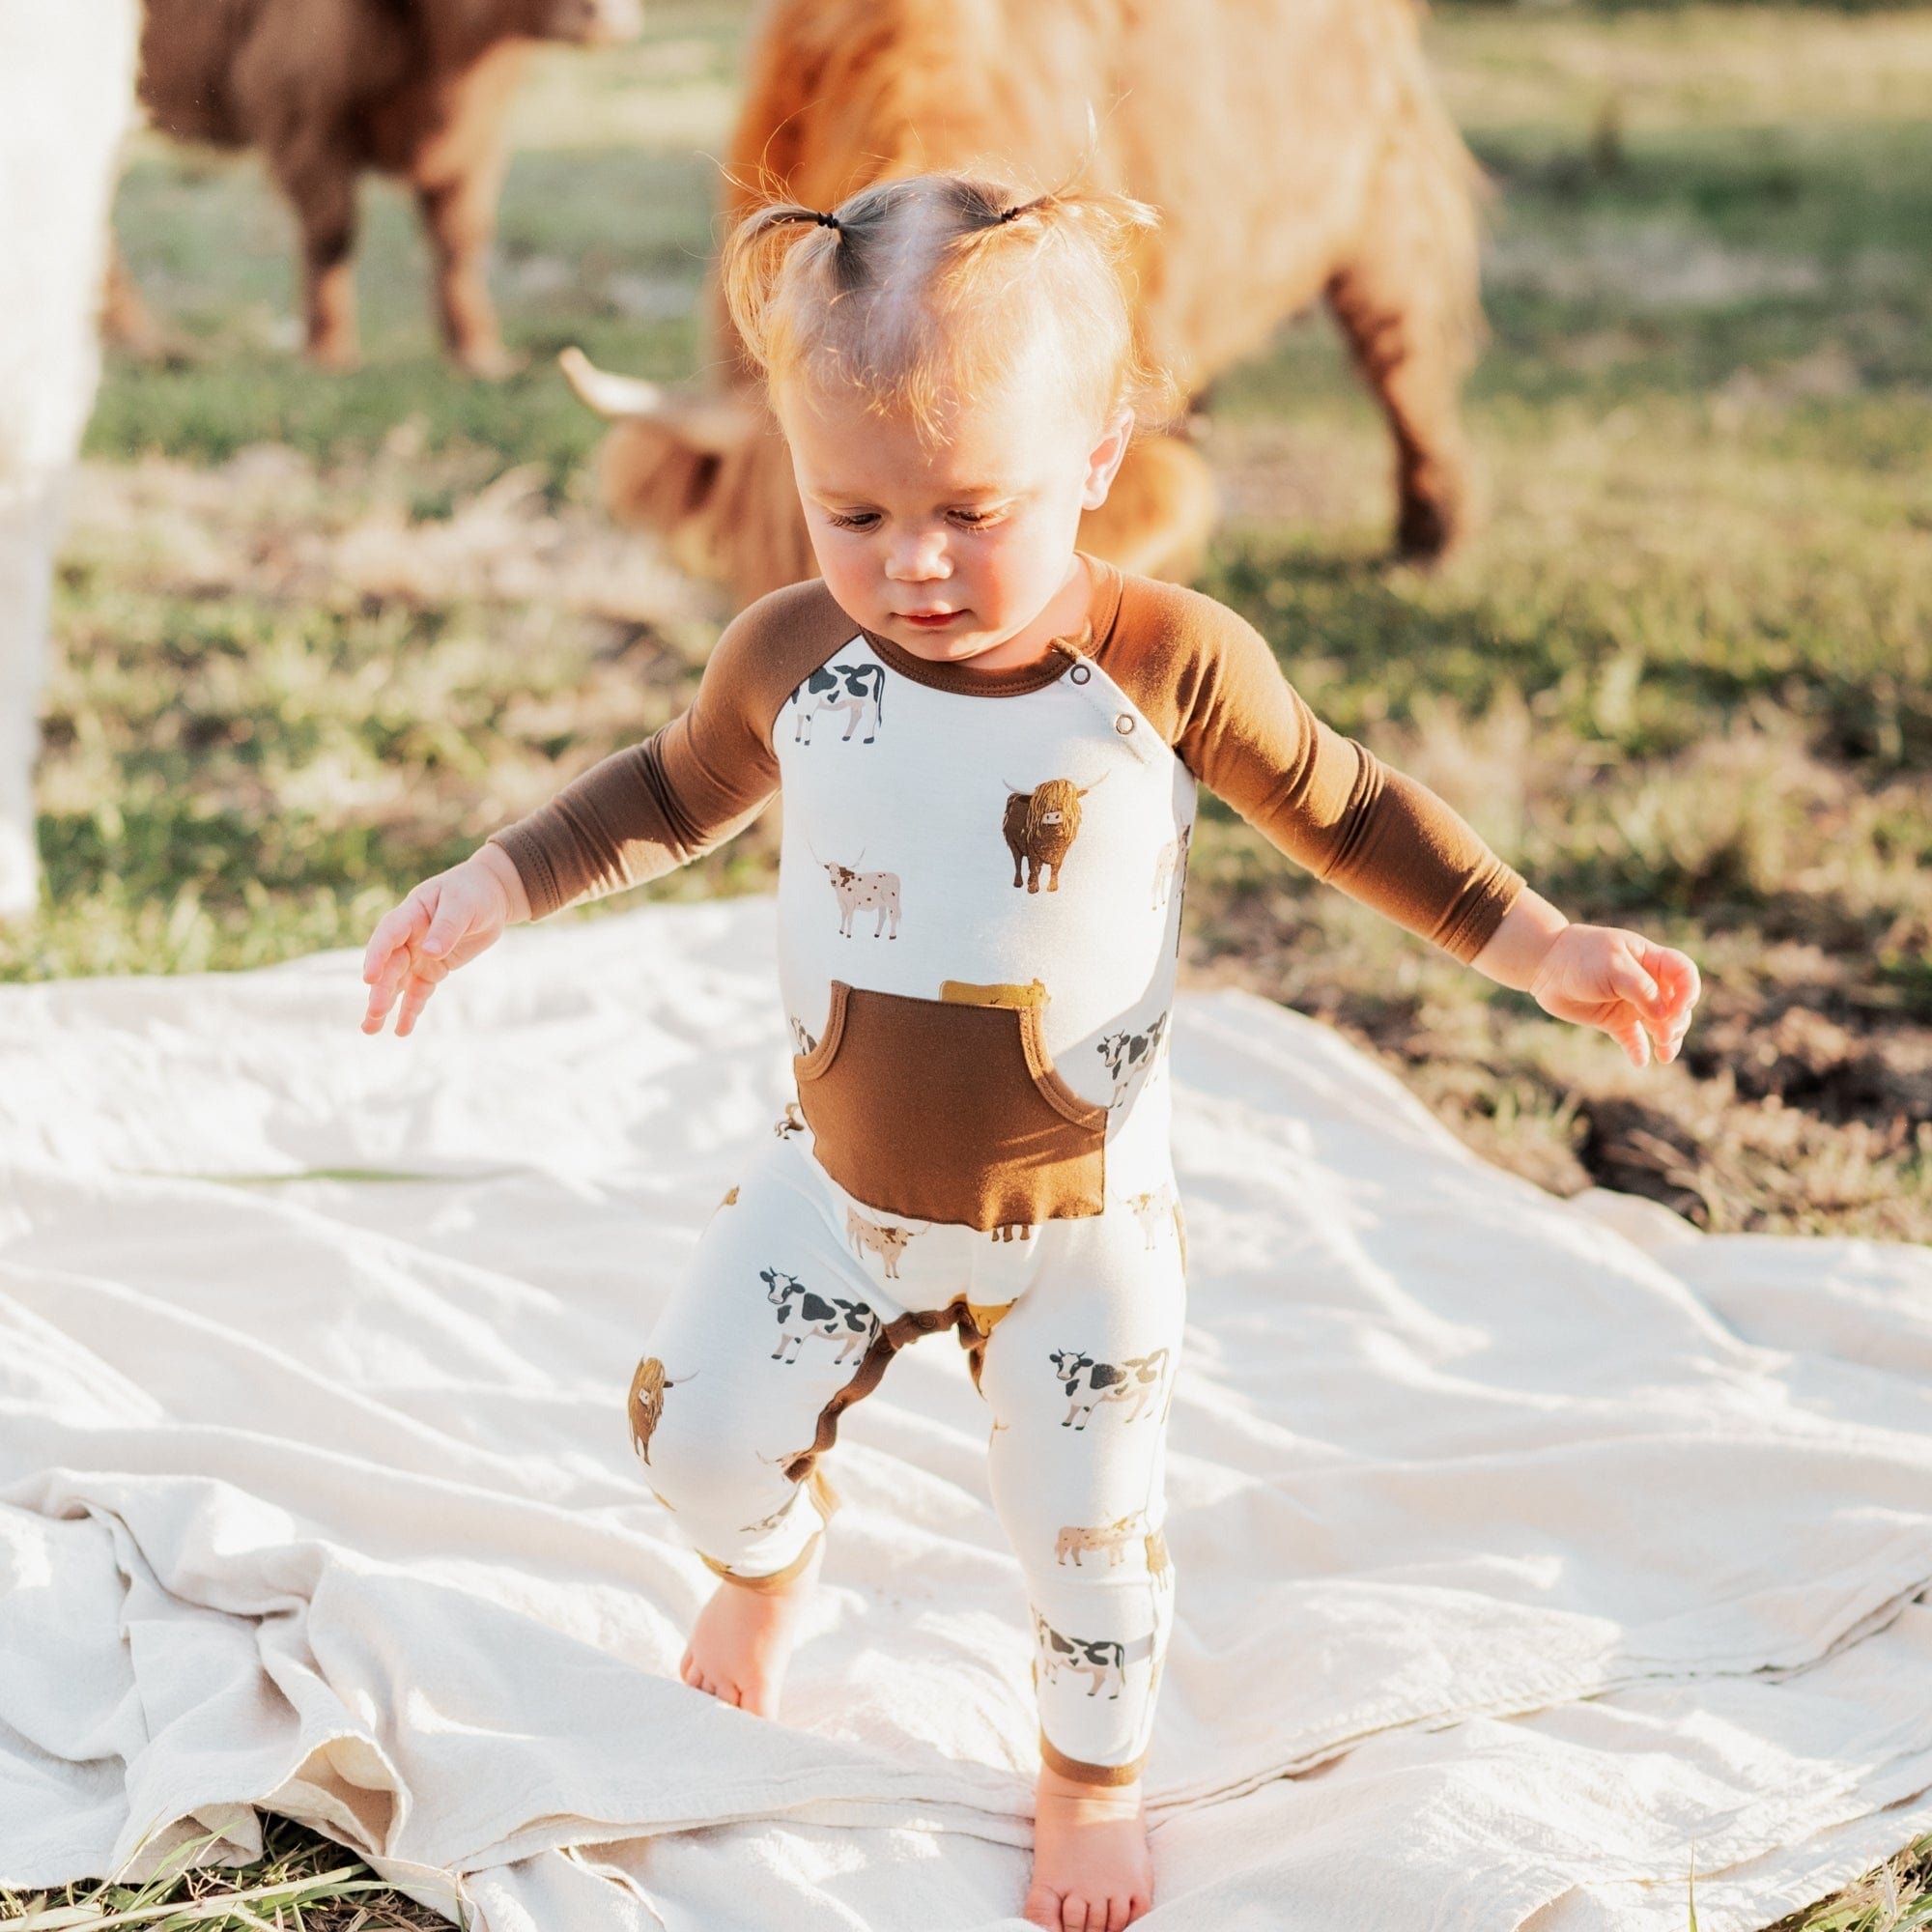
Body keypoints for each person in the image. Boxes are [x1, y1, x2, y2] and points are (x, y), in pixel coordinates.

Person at [359, 170, 1701, 1932]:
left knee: (1087, 1543)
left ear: (1098, 454)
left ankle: (1093, 1778)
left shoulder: (1163, 663)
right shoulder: (793, 651)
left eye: (968, 510)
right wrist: (493, 883)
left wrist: (1537, 943)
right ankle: (773, 1571)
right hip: (834, 1189)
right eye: (852, 511)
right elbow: (666, 793)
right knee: (686, 1436)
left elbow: (1349, 805)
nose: (911, 563)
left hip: (1080, 1227)